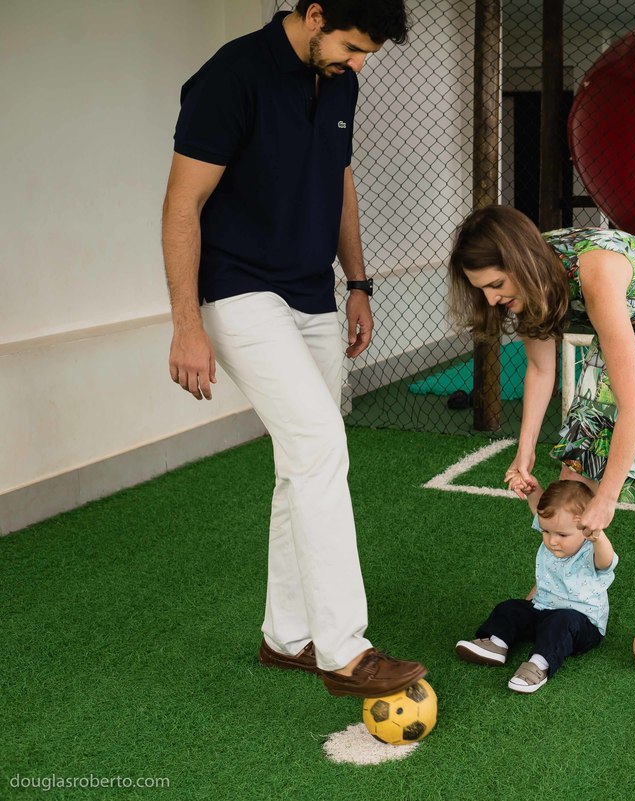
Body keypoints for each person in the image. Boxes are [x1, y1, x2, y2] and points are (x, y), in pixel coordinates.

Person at [161, 0, 425, 698]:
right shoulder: (230, 77)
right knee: (319, 444)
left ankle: (286, 636)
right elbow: (182, 203)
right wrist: (186, 323)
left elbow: (340, 181)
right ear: (314, 15)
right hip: (237, 289)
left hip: (312, 291)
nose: (358, 64)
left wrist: (358, 282)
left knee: (299, 462)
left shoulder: (339, 83)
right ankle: (345, 650)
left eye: (367, 54)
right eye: (351, 47)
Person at [448, 205, 635, 672]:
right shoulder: (531, 283)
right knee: (583, 439)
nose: (490, 299)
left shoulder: (597, 272)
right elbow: (540, 369)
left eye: (495, 284)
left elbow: (633, 409)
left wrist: (609, 497)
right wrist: (524, 451)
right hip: (623, 327)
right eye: (482, 289)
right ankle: (557, 585)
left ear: (520, 263)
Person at [456, 480, 617, 693]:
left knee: (562, 621)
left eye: (562, 535)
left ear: (586, 529)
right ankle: (497, 644)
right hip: (542, 609)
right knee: (511, 608)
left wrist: (598, 536)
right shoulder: (554, 533)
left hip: (581, 625)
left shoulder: (590, 550)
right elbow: (539, 511)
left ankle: (539, 664)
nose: (552, 541)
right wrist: (531, 490)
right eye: (546, 532)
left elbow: (606, 561)